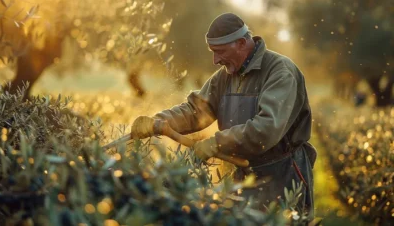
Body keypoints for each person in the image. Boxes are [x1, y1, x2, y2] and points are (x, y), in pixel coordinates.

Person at [131, 13, 317, 216]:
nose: (215, 60)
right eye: (212, 52)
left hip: (283, 173)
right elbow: (195, 112)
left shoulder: (280, 72)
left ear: (241, 43)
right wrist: (157, 121)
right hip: (243, 173)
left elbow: (266, 129)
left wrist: (217, 143)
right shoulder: (225, 77)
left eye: (220, 51)